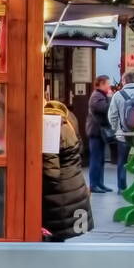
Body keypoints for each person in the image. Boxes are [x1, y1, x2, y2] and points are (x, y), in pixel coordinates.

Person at [42, 101, 93, 241]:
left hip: (59, 195)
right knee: (60, 239)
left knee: (54, 238)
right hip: (75, 185)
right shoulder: (69, 121)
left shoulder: (50, 128)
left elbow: (51, 172)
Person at [85, 75, 113, 193]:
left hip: (99, 132)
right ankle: (93, 184)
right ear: (101, 84)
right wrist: (111, 98)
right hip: (95, 132)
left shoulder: (100, 95)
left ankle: (100, 183)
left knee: (100, 159)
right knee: (96, 159)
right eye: (107, 83)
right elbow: (105, 108)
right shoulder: (96, 96)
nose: (109, 86)